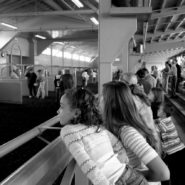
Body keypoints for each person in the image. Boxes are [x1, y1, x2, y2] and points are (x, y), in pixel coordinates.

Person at [59, 88, 149, 185]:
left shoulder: (67, 131)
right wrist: (122, 159)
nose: (58, 111)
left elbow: (87, 164)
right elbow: (117, 144)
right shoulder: (96, 126)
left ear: (76, 113)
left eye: (61, 107)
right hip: (131, 175)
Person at [102, 81, 170, 185]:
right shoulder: (118, 127)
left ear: (111, 103)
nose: (98, 100)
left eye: (102, 96)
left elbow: (163, 173)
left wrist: (125, 175)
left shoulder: (127, 132)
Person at [148, 87, 185, 185]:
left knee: (175, 173)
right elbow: (158, 123)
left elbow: (155, 128)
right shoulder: (167, 120)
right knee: (175, 171)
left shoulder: (162, 124)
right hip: (177, 150)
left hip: (175, 152)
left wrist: (150, 123)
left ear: (163, 113)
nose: (157, 111)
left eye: (159, 110)